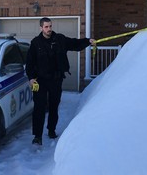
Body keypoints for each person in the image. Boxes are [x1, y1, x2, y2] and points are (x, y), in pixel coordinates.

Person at [26, 17, 96, 145]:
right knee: (39, 108)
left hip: (56, 79)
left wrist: (87, 41)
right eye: (46, 27)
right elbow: (29, 63)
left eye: (50, 26)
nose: (49, 29)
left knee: (54, 106)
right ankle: (37, 136)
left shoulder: (60, 39)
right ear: (41, 28)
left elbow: (74, 44)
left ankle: (51, 130)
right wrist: (30, 78)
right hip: (40, 80)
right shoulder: (35, 43)